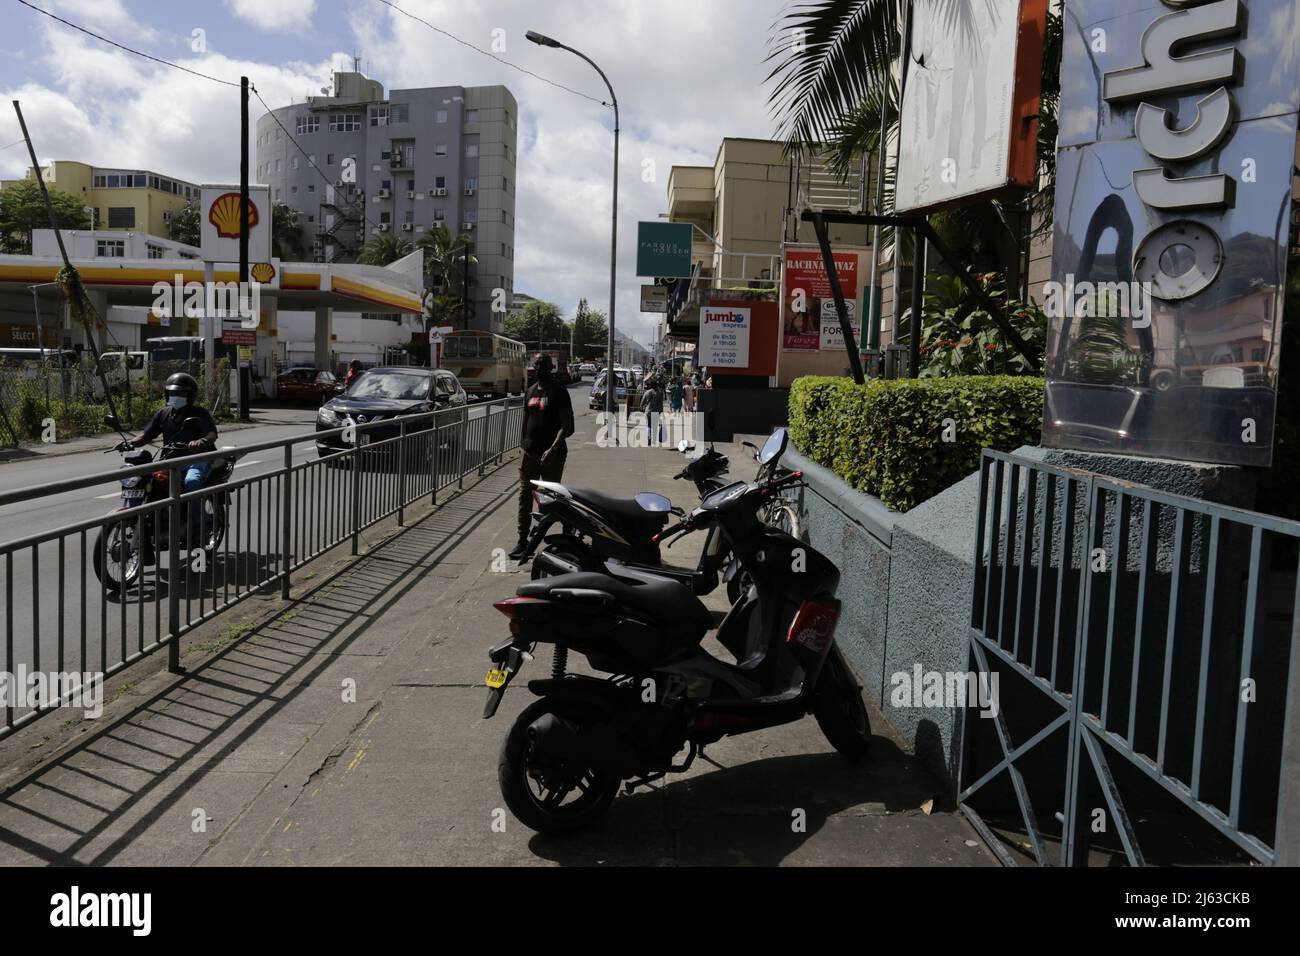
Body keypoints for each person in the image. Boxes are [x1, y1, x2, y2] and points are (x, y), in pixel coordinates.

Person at [121, 372, 218, 546]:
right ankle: (138, 523)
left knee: (191, 483)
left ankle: (199, 526)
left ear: (189, 396)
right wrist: (128, 443)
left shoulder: (200, 413)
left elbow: (212, 434)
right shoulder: (164, 414)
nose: (175, 397)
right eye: (172, 393)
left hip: (195, 459)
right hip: (169, 461)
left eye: (180, 394)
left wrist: (201, 441)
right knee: (139, 481)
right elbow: (146, 436)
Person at [509, 353, 574, 560]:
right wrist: (523, 446)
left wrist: (552, 450)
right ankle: (522, 540)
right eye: (536, 364)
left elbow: (568, 426)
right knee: (525, 495)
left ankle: (567, 526)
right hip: (530, 454)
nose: (538, 367)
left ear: (551, 366)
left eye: (542, 364)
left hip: (552, 456)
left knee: (550, 498)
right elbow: (526, 421)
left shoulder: (559, 390)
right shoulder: (530, 391)